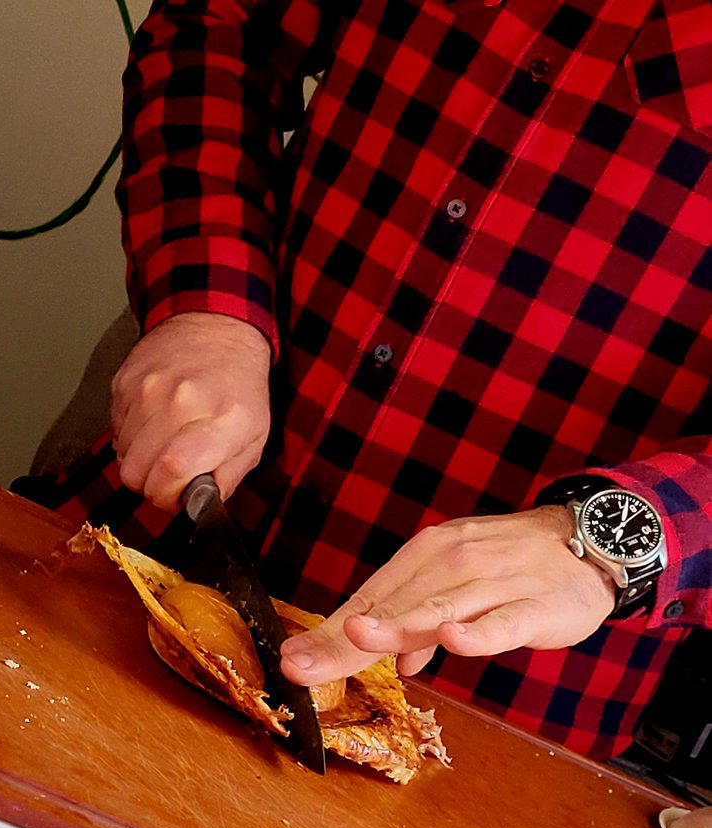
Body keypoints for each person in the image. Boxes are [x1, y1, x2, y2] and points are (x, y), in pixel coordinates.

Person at [47, 0, 711, 764]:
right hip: (143, 539)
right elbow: (217, 22)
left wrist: (614, 540)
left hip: (488, 720)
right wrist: (207, 303)